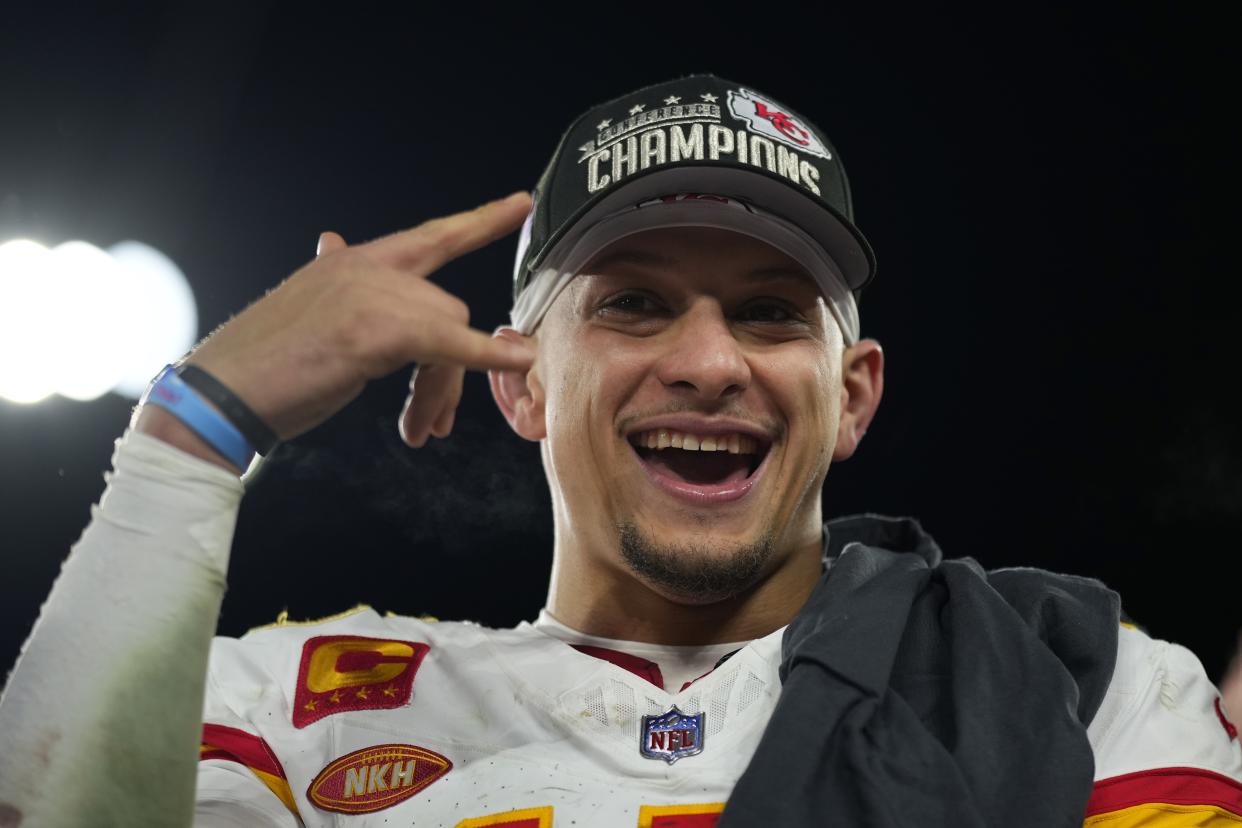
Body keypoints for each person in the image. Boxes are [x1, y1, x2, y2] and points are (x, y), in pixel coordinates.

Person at [0, 74, 1239, 828]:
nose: (710, 363)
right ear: (525, 383)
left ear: (852, 398)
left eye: (768, 312)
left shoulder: (1086, 690)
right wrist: (191, 437)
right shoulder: (288, 710)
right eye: (634, 304)